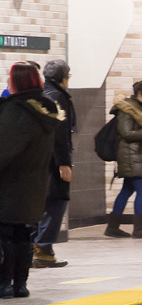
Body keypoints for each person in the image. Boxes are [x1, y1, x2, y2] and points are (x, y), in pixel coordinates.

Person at [0, 62, 60, 297]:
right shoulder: (45, 111)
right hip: (34, 185)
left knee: (5, 235)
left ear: (15, 82)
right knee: (24, 235)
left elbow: (4, 149)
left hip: (9, 184)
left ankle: (4, 284)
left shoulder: (16, 111)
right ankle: (20, 285)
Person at [107, 80, 142, 239]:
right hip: (132, 157)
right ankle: (139, 229)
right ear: (139, 93)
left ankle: (112, 227)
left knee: (126, 191)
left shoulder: (140, 107)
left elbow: (140, 131)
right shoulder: (127, 110)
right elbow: (126, 134)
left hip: (138, 156)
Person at [34, 60, 75, 268]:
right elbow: (60, 133)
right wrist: (64, 163)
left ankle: (38, 247)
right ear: (64, 78)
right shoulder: (58, 96)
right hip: (54, 161)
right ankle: (43, 248)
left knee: (44, 203)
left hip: (41, 159)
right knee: (56, 202)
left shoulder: (42, 93)